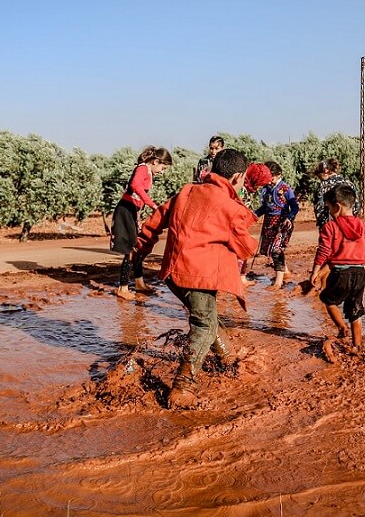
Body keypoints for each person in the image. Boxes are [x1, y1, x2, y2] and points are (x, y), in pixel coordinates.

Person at [133, 148, 258, 409]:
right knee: (204, 326)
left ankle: (227, 357)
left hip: (173, 273)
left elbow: (154, 222)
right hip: (199, 276)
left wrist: (140, 251)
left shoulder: (186, 191)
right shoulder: (229, 207)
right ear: (236, 177)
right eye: (243, 178)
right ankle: (183, 386)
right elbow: (247, 249)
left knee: (209, 318)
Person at [309, 184, 365, 358]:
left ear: (337, 206)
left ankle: (341, 327)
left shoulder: (330, 227)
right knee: (355, 309)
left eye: (329, 207)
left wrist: (314, 272)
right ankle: (357, 346)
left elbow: (323, 251)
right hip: (360, 274)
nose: (329, 211)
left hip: (340, 274)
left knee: (327, 299)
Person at [110, 146, 172, 300]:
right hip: (125, 210)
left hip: (131, 211)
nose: (162, 172)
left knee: (136, 247)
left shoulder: (148, 171)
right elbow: (134, 186)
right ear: (156, 161)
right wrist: (153, 205)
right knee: (129, 249)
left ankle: (139, 283)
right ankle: (123, 288)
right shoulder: (143, 168)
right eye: (162, 168)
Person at [254, 160, 299, 289]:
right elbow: (264, 207)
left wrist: (289, 218)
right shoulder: (267, 189)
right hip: (269, 223)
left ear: (278, 174)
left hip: (282, 223)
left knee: (276, 250)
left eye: (271, 177)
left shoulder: (285, 188)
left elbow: (295, 207)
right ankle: (285, 271)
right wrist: (253, 215)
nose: (269, 181)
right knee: (273, 248)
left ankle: (278, 282)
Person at [312, 158, 360, 229]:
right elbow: (356, 206)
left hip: (331, 228)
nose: (319, 177)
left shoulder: (323, 186)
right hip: (350, 225)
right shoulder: (349, 184)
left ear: (326, 170)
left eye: (319, 174)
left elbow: (319, 209)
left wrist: (323, 227)